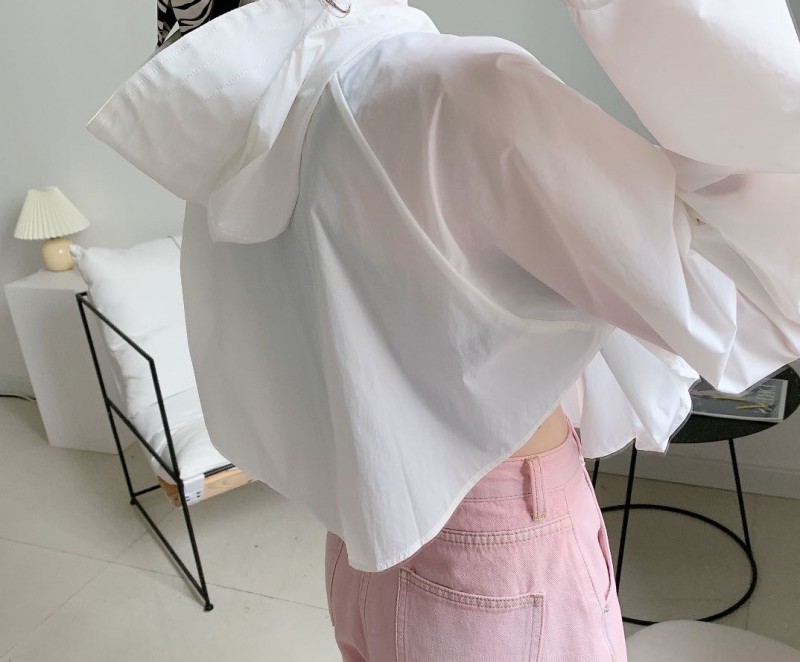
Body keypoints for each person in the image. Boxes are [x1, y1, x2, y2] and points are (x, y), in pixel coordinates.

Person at [88, 0, 800, 659]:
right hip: (498, 561)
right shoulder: (457, 91)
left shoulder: (244, 113)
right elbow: (758, 295)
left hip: (369, 539)